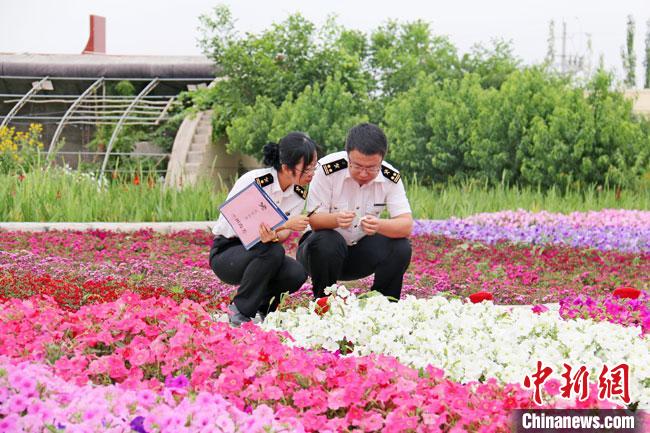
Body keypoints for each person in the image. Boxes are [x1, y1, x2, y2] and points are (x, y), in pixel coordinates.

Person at [210, 132, 318, 326]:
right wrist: (286, 224)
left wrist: (282, 229)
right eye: (306, 169)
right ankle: (240, 309)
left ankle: (264, 306)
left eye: (313, 167)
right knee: (272, 250)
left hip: (263, 252)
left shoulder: (298, 194)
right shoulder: (255, 182)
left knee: (296, 273)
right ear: (286, 167)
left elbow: (279, 236)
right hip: (228, 252)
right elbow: (245, 229)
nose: (311, 174)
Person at [297, 123, 413, 300]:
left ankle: (383, 304)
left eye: (372, 168)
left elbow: (406, 225)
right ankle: (323, 303)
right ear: (348, 156)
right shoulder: (327, 170)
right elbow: (313, 220)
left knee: (401, 247)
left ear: (381, 160)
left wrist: (379, 225)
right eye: (357, 166)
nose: (364, 173)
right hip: (318, 254)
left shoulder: (391, 177)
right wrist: (335, 220)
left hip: (359, 252)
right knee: (328, 240)